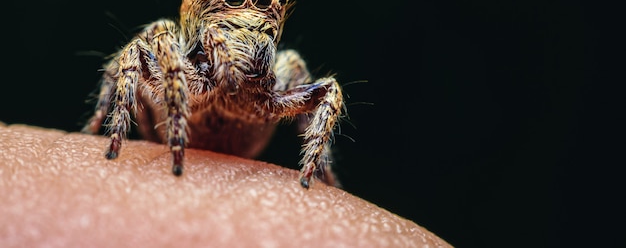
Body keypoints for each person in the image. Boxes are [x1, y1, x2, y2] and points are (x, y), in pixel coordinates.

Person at [0, 123, 452, 247]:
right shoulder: (172, 47)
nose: (247, 11)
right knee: (149, 38)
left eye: (263, 4)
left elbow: (321, 93)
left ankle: (319, 165)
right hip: (176, 116)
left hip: (251, 128)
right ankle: (106, 123)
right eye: (231, 0)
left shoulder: (282, 67)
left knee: (323, 84)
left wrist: (313, 168)